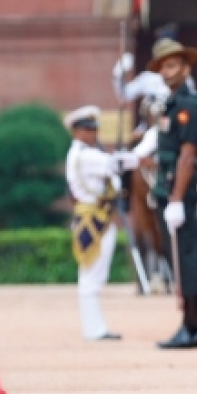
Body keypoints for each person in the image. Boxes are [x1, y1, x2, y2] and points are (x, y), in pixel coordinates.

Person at [146, 37, 197, 349]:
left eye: (172, 65)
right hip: (167, 189)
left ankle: (193, 328)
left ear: (185, 68)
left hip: (177, 193)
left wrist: (175, 199)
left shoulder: (188, 105)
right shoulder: (170, 104)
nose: (167, 72)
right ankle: (189, 325)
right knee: (178, 260)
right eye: (163, 67)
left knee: (187, 258)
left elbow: (188, 155)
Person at [64, 104, 138, 340]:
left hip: (94, 217)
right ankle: (94, 330)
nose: (93, 133)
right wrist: (133, 152)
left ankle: (95, 328)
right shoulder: (85, 155)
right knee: (91, 278)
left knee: (92, 277)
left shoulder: (83, 153)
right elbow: (115, 165)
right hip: (94, 219)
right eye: (88, 129)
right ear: (77, 131)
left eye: (94, 129)